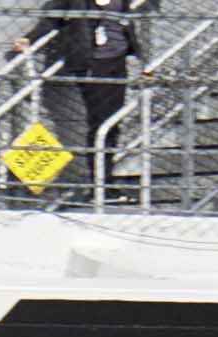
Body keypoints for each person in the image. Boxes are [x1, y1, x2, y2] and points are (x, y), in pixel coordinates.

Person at [10, 0, 148, 201]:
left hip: (117, 61)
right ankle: (99, 185)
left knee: (111, 124)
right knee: (100, 122)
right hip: (91, 63)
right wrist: (28, 39)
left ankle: (104, 183)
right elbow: (51, 20)